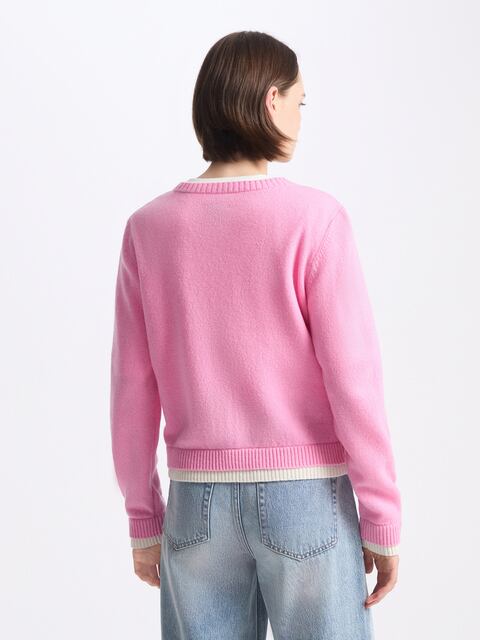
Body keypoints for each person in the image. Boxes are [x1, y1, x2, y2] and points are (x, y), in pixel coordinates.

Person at [110, 30, 401, 639]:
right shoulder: (315, 220)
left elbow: (132, 388)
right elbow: (354, 379)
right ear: (272, 101)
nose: (301, 116)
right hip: (307, 498)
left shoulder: (148, 229)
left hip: (196, 505)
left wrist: (143, 517)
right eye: (300, 100)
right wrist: (381, 515)